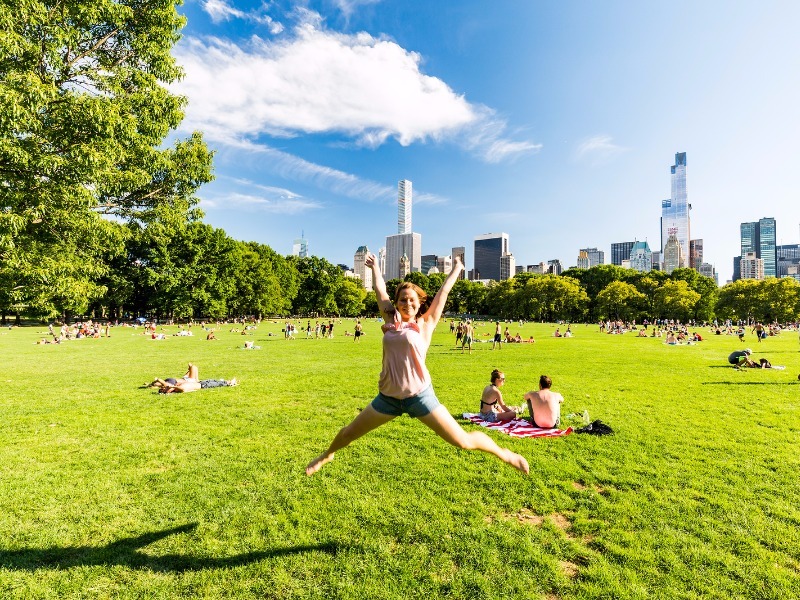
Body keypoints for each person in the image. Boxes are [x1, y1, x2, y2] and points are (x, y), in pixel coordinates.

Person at [305, 252, 529, 476]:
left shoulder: (425, 323)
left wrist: (457, 269)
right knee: (348, 434)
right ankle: (327, 455)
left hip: (420, 397)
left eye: (412, 299)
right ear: (396, 303)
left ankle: (505, 454)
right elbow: (380, 291)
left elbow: (443, 293)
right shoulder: (390, 320)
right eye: (402, 299)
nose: (407, 303)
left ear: (419, 302)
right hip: (388, 399)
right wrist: (374, 269)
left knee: (463, 441)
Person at [159, 377, 238, 393]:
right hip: (204, 386)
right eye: (166, 389)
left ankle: (229, 381)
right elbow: (182, 389)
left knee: (215, 381)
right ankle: (230, 383)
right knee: (218, 383)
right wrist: (173, 386)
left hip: (201, 383)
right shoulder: (177, 389)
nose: (167, 387)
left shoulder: (176, 387)